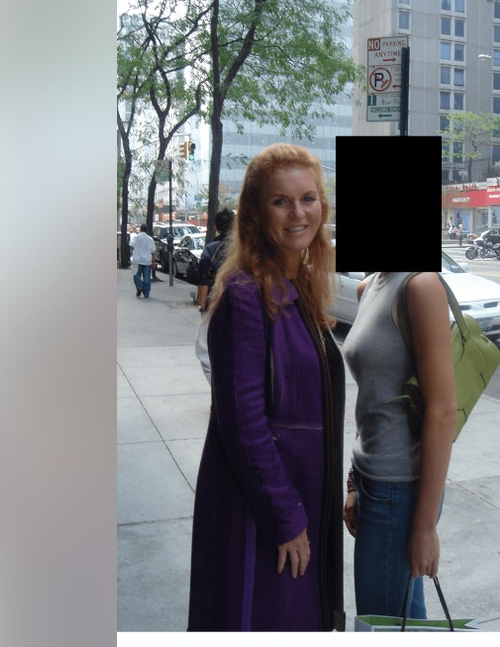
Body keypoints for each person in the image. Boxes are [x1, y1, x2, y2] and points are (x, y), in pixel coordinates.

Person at [187, 143, 346, 632]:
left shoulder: (296, 287)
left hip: (301, 498)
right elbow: (244, 423)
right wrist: (285, 516)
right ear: (256, 214)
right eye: (281, 201)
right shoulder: (245, 294)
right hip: (262, 512)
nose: (299, 212)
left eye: (309, 198)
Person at [341, 271, 457, 620]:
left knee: (385, 621)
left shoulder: (420, 286)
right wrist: (353, 482)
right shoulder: (368, 286)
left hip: (399, 491)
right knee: (400, 616)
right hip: (371, 481)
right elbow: (373, 398)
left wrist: (424, 528)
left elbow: (443, 412)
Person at [194, 208, 235, 383]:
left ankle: (218, 391)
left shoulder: (211, 249)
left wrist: (203, 306)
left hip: (215, 306)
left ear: (217, 228)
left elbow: (203, 278)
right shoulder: (244, 249)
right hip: (241, 306)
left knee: (204, 351)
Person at [130, 223, 155, 298]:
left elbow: (131, 245)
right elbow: (153, 251)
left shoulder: (136, 237)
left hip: (137, 260)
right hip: (147, 260)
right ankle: (146, 292)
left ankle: (139, 286)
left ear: (140, 229)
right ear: (147, 230)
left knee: (136, 275)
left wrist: (136, 250)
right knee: (147, 277)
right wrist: (153, 261)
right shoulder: (150, 239)